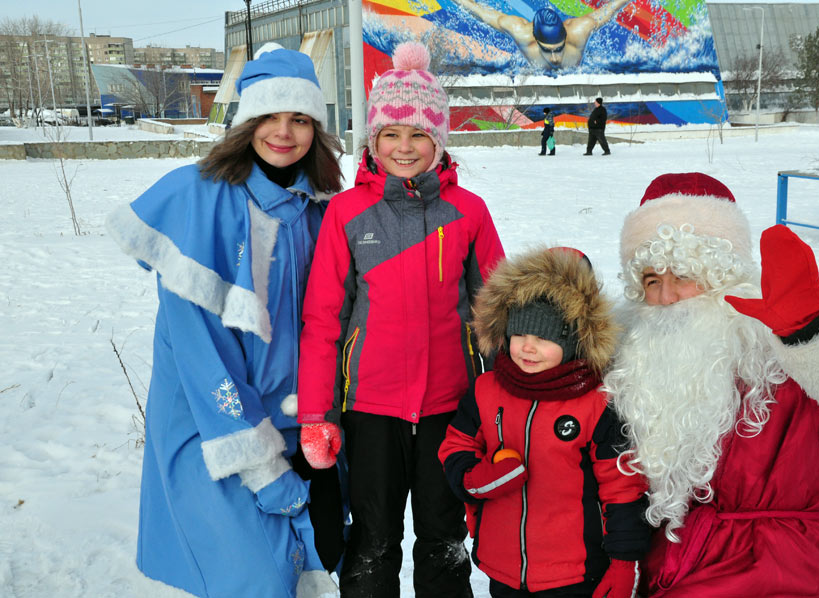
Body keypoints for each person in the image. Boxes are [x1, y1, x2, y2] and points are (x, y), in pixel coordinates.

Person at [105, 43, 344, 598]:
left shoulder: (323, 207)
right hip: (216, 425)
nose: (283, 133)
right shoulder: (199, 200)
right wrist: (259, 463)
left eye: (300, 119)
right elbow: (199, 351)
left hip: (299, 425)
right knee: (253, 575)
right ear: (246, 122)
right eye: (269, 117)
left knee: (302, 567)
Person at [603, 172, 819, 597]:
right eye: (652, 281)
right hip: (668, 573)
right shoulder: (629, 365)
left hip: (789, 576)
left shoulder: (793, 357)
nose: (666, 297)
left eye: (684, 275)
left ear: (726, 277)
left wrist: (816, 335)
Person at [295, 41, 506, 598]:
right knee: (371, 543)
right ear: (374, 140)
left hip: (449, 409)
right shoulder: (346, 212)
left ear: (439, 140)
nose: (405, 147)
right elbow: (322, 321)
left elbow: (496, 317)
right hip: (371, 410)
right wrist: (318, 413)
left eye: (419, 134)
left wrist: (506, 403)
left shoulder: (469, 212)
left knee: (443, 541)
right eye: (391, 133)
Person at [439, 246, 652, 598]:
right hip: (502, 566)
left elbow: (622, 488)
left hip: (575, 573)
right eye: (520, 334)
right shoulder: (486, 390)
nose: (528, 348)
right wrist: (474, 477)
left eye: (544, 338)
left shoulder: (596, 402)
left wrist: (623, 561)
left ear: (574, 340)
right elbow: (455, 445)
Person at [455, 0, 630, 69]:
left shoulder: (579, 31)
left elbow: (611, 8)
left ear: (566, 38)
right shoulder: (521, 33)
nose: (554, 58)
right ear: (536, 41)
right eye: (547, 50)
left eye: (558, 48)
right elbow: (481, 12)